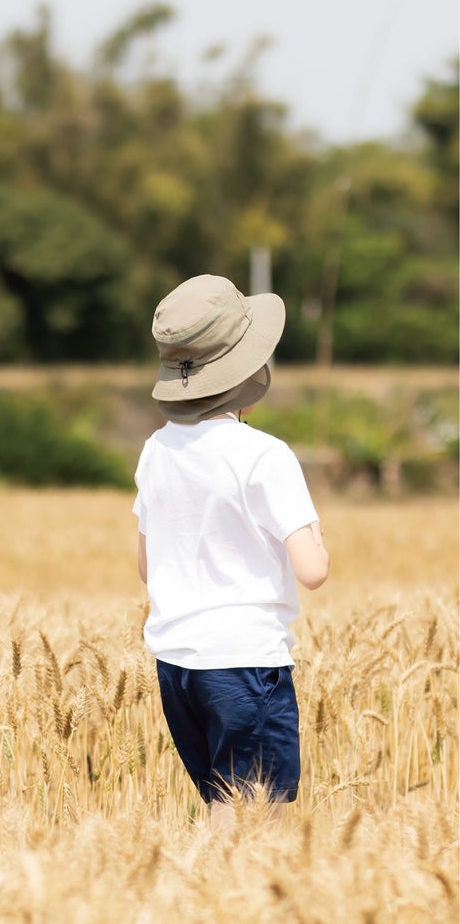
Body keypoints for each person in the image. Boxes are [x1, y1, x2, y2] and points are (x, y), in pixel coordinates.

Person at [134, 274, 330, 823]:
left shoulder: (155, 449)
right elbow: (312, 571)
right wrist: (315, 534)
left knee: (224, 806)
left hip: (177, 665)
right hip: (244, 662)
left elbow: (146, 567)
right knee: (254, 820)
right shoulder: (264, 455)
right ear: (250, 367)